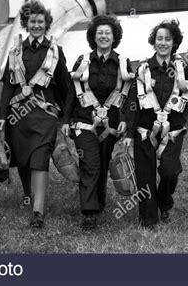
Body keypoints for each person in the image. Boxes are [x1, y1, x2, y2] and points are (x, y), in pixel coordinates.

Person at [0, 0, 69, 228]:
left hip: (44, 114)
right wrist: (1, 115)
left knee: (39, 157)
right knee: (22, 158)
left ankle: (38, 211)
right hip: (17, 115)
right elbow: (8, 85)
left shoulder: (55, 51)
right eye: (32, 22)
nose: (36, 25)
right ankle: (28, 195)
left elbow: (65, 87)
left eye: (40, 22)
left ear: (46, 24)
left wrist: (66, 118)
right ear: (26, 24)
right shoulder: (16, 51)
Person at [61, 15, 133, 230]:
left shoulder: (123, 63)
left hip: (110, 125)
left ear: (114, 37)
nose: (103, 36)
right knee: (90, 164)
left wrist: (126, 121)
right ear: (93, 36)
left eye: (107, 33)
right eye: (99, 33)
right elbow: (71, 94)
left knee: (101, 165)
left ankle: (99, 202)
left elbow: (129, 96)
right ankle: (89, 212)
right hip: (83, 123)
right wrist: (66, 120)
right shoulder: (83, 61)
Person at [123, 20, 188, 229]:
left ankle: (164, 202)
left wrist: (179, 124)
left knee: (170, 171)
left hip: (172, 130)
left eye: (167, 39)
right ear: (154, 42)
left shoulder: (182, 68)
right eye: (159, 39)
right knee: (145, 175)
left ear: (174, 42)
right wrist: (128, 132)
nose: (163, 43)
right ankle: (148, 217)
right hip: (144, 129)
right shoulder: (143, 68)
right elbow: (133, 101)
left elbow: (187, 98)